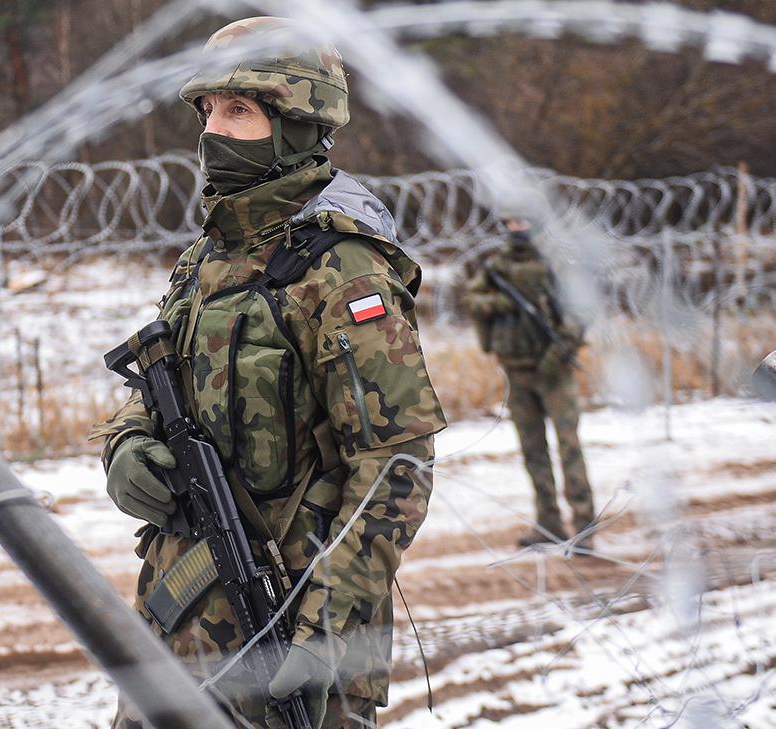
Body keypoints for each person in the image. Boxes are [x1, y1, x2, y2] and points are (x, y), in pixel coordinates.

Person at [89, 16, 446, 729]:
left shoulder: (344, 269)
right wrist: (126, 443)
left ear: (296, 123)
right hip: (178, 635)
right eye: (208, 110)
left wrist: (320, 636)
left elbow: (394, 467)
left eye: (238, 110)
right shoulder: (205, 259)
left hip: (291, 647)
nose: (212, 130)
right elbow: (157, 390)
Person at [463, 215, 595, 550]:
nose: (518, 227)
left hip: (554, 371)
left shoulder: (555, 265)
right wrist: (503, 302)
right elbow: (472, 299)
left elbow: (580, 313)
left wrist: (556, 355)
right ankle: (548, 524)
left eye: (523, 220)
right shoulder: (497, 266)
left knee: (569, 448)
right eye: (511, 221)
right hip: (516, 370)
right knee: (533, 450)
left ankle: (584, 527)